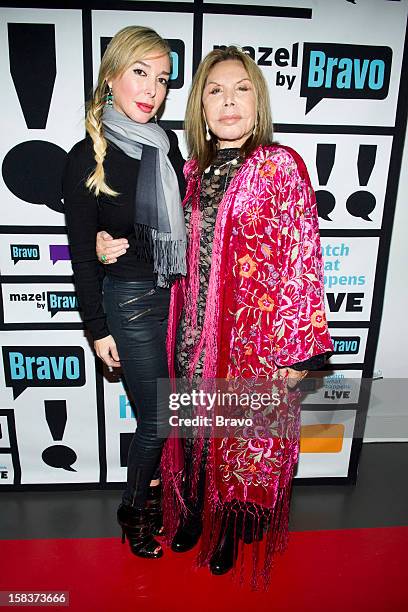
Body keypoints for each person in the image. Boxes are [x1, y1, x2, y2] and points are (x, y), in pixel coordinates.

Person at [96, 46, 333, 587]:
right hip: (187, 331)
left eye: (241, 89)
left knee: (238, 433)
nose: (228, 101)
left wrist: (299, 350)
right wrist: (103, 239)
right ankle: (196, 511)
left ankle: (228, 526)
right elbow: (148, 230)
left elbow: (302, 257)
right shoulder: (187, 170)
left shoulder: (280, 165)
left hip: (250, 336)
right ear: (200, 106)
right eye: (215, 91)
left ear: (257, 102)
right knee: (199, 431)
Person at [63, 25, 186, 560]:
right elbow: (82, 257)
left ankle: (155, 496)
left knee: (164, 416)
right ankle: (134, 510)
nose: (152, 90)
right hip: (131, 302)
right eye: (140, 73)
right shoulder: (84, 156)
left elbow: (187, 220)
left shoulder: (167, 145)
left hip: (178, 297)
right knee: (158, 417)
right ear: (110, 76)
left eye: (161, 78)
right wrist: (97, 330)